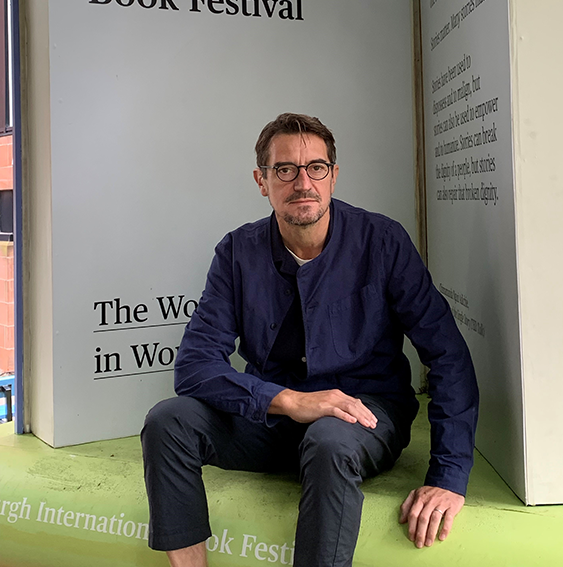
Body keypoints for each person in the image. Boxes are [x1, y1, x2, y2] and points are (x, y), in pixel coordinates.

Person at [142, 112, 478, 567]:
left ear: (333, 176)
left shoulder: (382, 241)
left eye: (316, 167)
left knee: (329, 440)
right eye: (285, 170)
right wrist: (287, 400)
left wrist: (449, 476)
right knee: (168, 421)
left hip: (363, 414)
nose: (303, 182)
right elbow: (195, 366)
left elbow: (447, 354)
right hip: (272, 418)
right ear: (262, 181)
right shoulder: (237, 252)